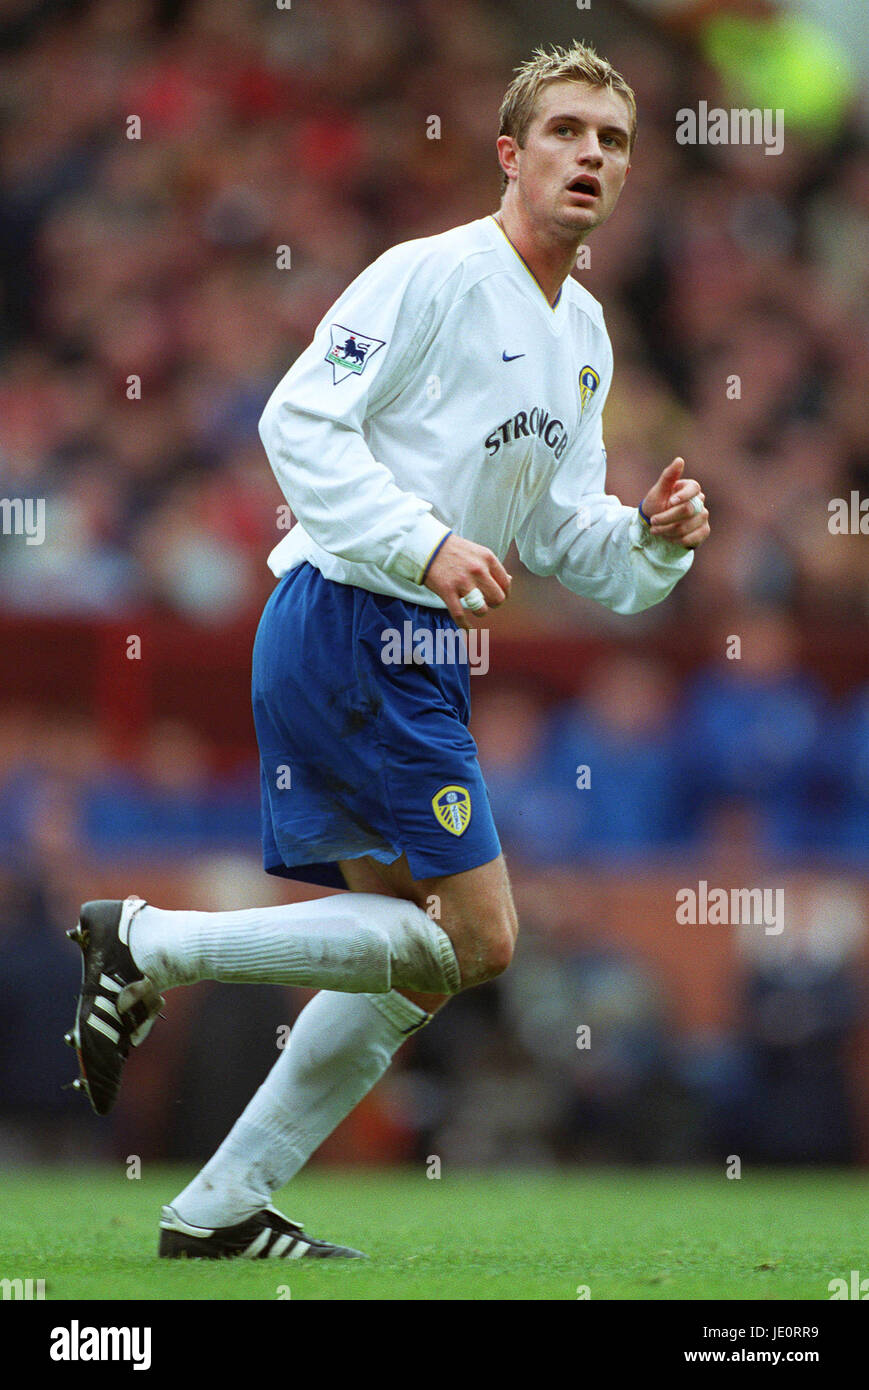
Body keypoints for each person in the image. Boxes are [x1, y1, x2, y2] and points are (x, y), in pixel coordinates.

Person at [66, 41, 710, 1260]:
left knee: (415, 968)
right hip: (352, 619)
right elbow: (294, 419)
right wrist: (422, 548)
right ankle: (146, 941)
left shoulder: (582, 334)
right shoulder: (429, 275)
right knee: (484, 940)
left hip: (403, 640)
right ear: (511, 156)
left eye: (611, 140)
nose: (589, 156)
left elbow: (568, 534)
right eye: (565, 132)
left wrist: (657, 540)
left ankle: (215, 1212)